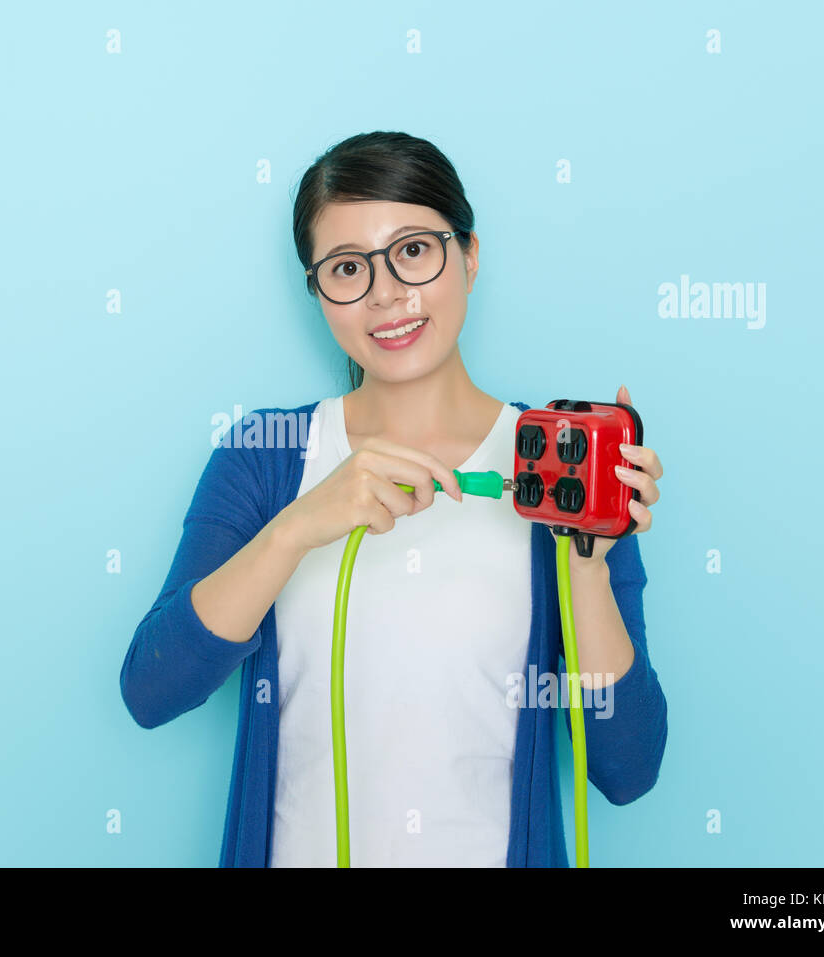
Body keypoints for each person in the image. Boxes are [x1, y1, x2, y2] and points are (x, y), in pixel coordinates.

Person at [120, 131, 668, 867]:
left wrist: (588, 567)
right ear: (318, 294)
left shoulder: (562, 468)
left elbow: (627, 769)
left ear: (469, 256)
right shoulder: (268, 455)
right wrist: (298, 526)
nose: (386, 293)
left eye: (414, 250)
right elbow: (152, 690)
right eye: (347, 268)